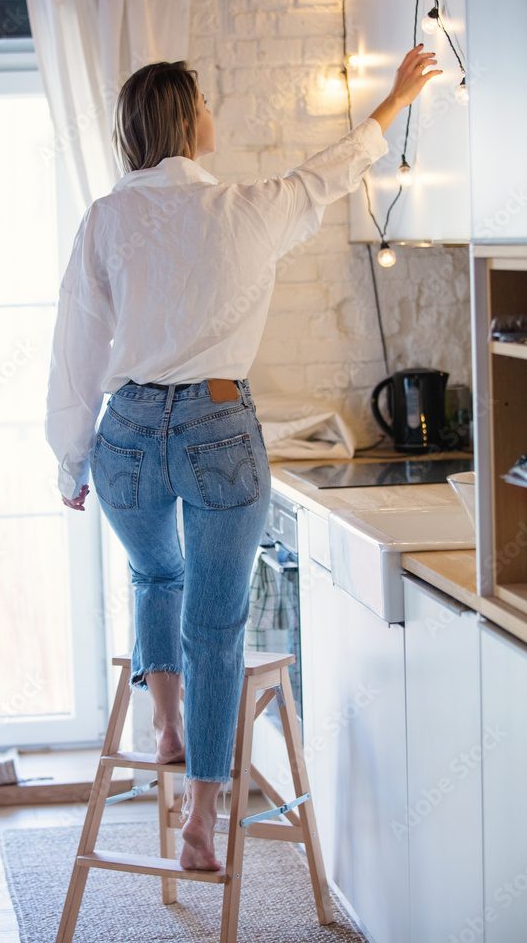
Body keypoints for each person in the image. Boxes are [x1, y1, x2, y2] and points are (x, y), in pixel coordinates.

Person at [45, 43, 442, 871]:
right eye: (204, 103)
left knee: (156, 577)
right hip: (219, 427)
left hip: (124, 432)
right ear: (189, 123)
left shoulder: (104, 219)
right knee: (216, 627)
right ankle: (200, 818)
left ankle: (165, 721)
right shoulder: (247, 207)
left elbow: (76, 346)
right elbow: (332, 171)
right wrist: (395, 97)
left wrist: (69, 459)